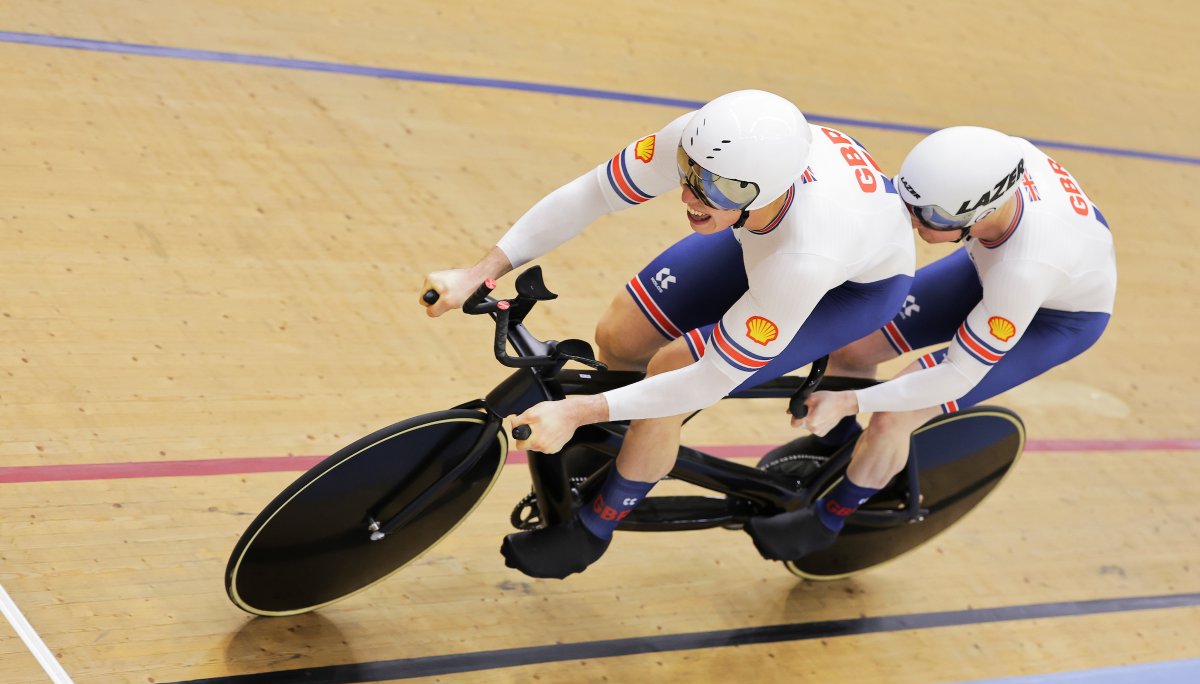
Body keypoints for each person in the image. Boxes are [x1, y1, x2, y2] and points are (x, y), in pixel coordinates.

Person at [421, 89, 915, 579]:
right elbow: (591, 194)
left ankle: (596, 525)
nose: (688, 197)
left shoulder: (805, 257)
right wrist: (480, 272)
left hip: (849, 287)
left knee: (672, 370)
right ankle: (617, 445)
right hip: (762, 234)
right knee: (620, 334)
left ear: (764, 189)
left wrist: (578, 410)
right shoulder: (710, 144)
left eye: (715, 189)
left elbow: (708, 379)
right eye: (689, 173)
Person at [747, 126, 1117, 561]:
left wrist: (851, 402)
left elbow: (955, 376)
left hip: (1053, 319)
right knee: (854, 349)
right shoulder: (988, 161)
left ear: (981, 212)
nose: (913, 221)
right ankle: (840, 446)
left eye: (931, 217)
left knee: (892, 415)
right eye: (910, 203)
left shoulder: (1024, 268)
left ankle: (830, 517)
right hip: (993, 265)